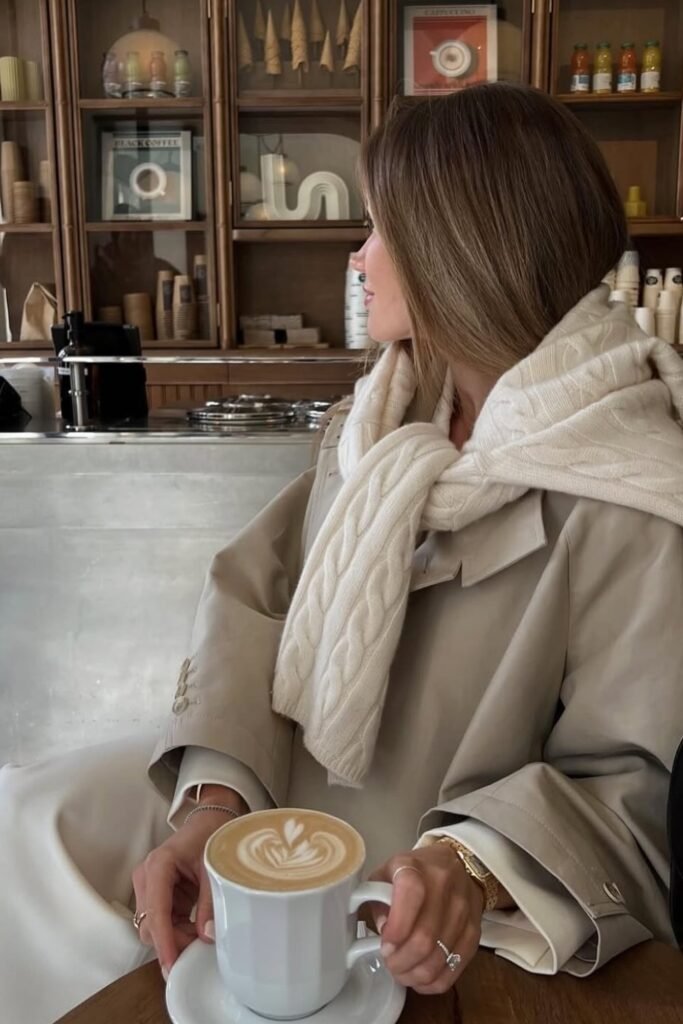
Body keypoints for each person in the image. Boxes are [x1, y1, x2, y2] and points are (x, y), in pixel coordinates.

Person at [3, 82, 683, 1024]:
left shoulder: (634, 490)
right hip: (280, 787)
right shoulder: (375, 422)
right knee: (32, 821)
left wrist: (466, 862)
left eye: (379, 229)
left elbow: (624, 780)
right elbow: (253, 605)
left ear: (461, 250)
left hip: (443, 869)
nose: (357, 256)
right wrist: (211, 805)